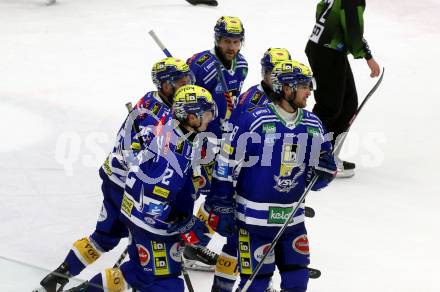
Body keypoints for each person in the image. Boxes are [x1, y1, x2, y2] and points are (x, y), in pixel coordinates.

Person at [38, 57, 195, 292]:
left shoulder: (151, 100)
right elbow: (148, 163)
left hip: (115, 176)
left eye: (187, 82)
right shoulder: (158, 117)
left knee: (104, 237)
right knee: (143, 261)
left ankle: (57, 278)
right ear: (164, 85)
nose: (184, 88)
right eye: (179, 83)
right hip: (128, 188)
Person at [66, 84, 217, 292]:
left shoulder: (172, 133)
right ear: (191, 117)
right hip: (152, 228)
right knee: (166, 284)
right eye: (206, 114)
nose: (210, 119)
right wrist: (184, 223)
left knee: (136, 274)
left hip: (137, 218)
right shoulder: (173, 151)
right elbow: (152, 203)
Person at [206, 60, 337, 291]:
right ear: (287, 88)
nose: (310, 91)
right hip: (254, 223)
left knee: (297, 281)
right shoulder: (253, 120)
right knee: (256, 284)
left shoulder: (313, 124)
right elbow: (224, 162)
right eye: (305, 85)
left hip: (292, 221)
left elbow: (318, 178)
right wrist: (221, 203)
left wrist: (325, 173)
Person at [183, 15, 248, 271]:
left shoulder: (241, 64)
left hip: (222, 141)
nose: (231, 47)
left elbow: (234, 99)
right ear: (217, 40)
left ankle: (192, 242)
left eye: (236, 41)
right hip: (198, 140)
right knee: (192, 190)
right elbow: (182, 100)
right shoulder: (199, 65)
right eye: (226, 41)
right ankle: (166, 237)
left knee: (219, 194)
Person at [305, 0, 381, 178]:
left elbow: (321, 8)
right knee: (329, 107)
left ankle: (327, 155)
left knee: (348, 105)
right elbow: (353, 30)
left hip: (329, 50)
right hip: (327, 53)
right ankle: (309, 157)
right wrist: (368, 56)